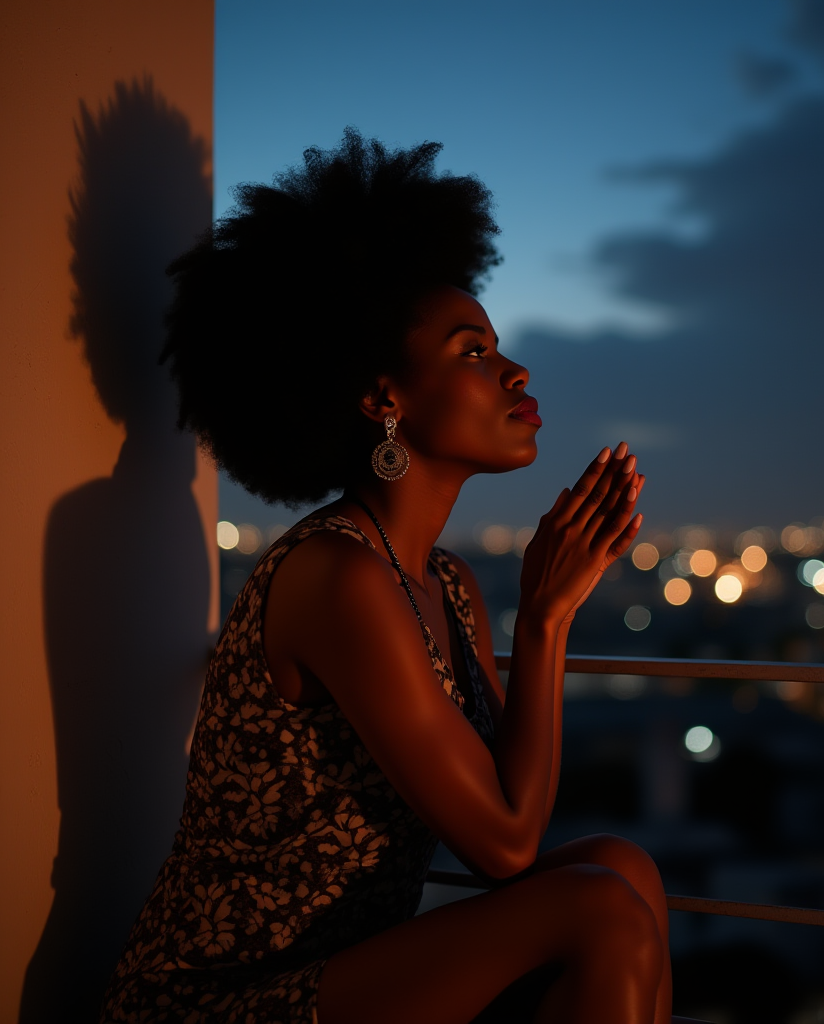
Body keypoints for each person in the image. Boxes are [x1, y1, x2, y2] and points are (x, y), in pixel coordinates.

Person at [102, 129, 670, 1024]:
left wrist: (533, 614)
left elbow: (501, 811)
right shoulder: (338, 575)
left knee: (625, 867)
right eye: (471, 352)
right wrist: (548, 620)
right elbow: (506, 846)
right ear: (382, 401)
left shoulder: (444, 585)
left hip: (349, 969)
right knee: (598, 905)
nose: (514, 369)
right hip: (218, 1001)